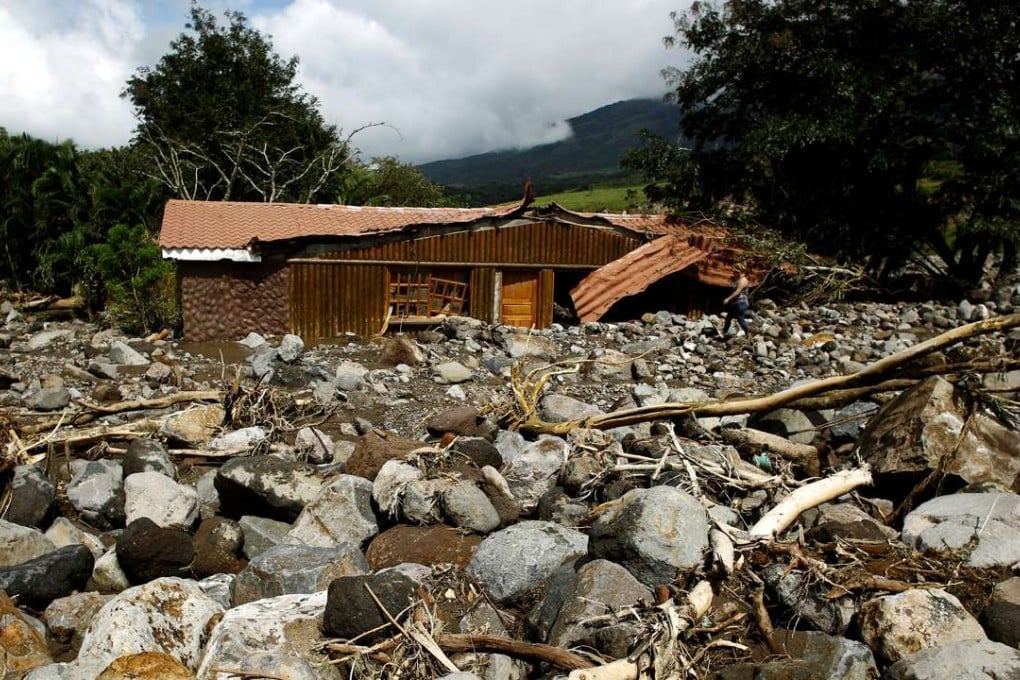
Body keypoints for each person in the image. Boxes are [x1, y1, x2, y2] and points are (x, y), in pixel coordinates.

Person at [722, 269, 751, 337]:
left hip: (741, 303)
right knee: (728, 318)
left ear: (739, 272)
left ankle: (748, 334)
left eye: (735, 272)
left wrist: (728, 299)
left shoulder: (743, 280)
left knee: (740, 319)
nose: (733, 273)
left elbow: (738, 292)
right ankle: (724, 332)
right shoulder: (738, 280)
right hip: (736, 303)